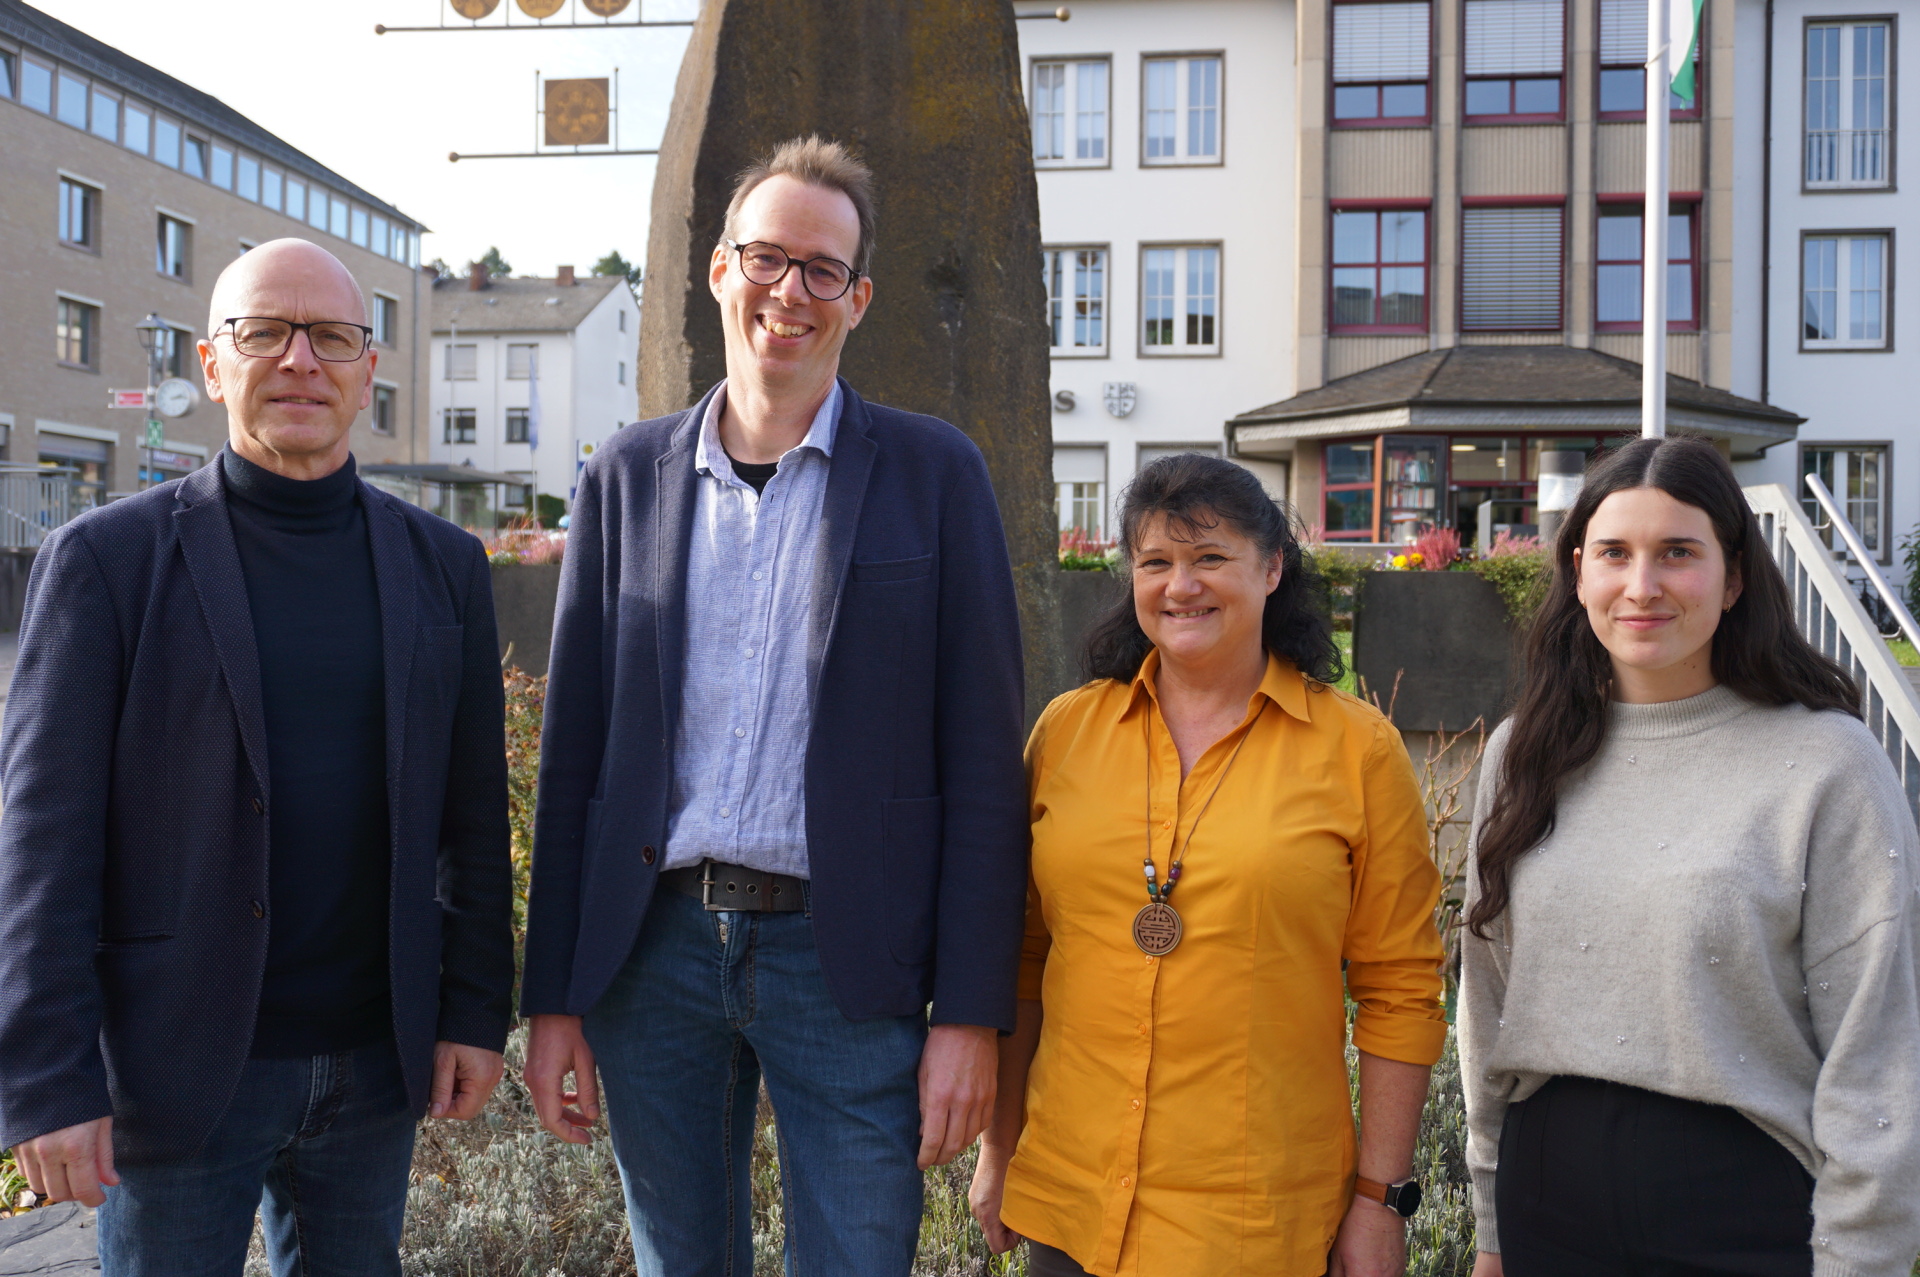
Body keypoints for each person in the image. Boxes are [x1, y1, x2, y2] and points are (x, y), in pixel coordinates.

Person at [519, 136, 1029, 1276]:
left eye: (822, 269)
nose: (790, 292)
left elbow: (987, 767)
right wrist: (552, 993)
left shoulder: (935, 475)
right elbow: (577, 760)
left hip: (848, 962)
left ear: (859, 296)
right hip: (654, 954)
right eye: (767, 258)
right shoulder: (624, 478)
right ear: (716, 270)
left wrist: (970, 1014)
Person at [0, 239, 515, 1277]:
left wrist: (471, 1011)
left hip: (376, 1066)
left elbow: (470, 816)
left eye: (331, 336)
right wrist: (48, 1078)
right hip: (174, 1064)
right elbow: (42, 839)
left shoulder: (443, 565)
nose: (299, 360)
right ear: (211, 362)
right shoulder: (107, 561)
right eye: (264, 332)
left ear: (370, 369)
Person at [970, 454, 1449, 1277]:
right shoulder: (1065, 733)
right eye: (1155, 562)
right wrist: (1000, 1143)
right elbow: (1023, 959)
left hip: (1256, 1221)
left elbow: (1401, 987)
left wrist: (1380, 1199)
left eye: (1209, 558)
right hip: (1072, 1203)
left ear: (1272, 568)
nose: (1179, 585)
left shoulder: (1359, 752)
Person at [1461, 435, 1920, 1277]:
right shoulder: (1523, 755)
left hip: (1745, 1207)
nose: (1642, 586)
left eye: (1678, 552)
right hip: (1545, 1205)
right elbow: (1487, 1002)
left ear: (1734, 576)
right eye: (1614, 554)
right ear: (1578, 572)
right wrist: (1490, 1221)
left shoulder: (1827, 763)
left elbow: (1878, 1048)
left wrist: (1865, 1259)